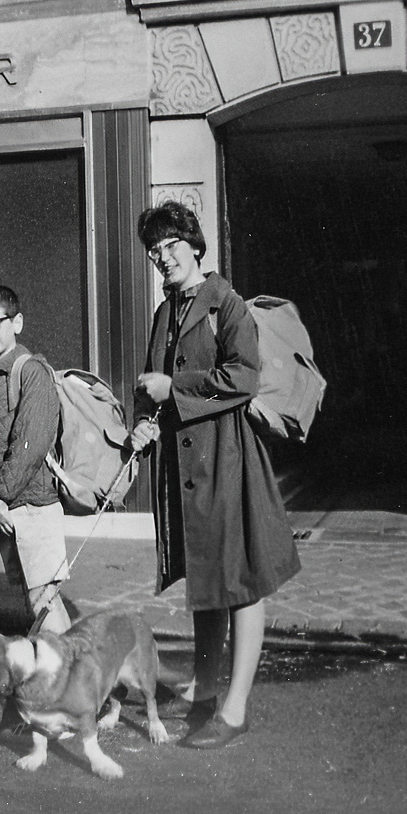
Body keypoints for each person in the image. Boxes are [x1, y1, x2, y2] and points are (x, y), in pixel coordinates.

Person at [131, 201, 300, 748]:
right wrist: (145, 424)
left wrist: (172, 394)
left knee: (242, 579)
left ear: (195, 245)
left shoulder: (224, 303)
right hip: (186, 465)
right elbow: (155, 389)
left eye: (171, 246)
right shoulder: (167, 311)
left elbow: (243, 377)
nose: (164, 258)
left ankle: (235, 707)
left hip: (228, 458)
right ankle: (205, 688)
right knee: (208, 574)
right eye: (155, 251)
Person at [0, 285, 72, 634]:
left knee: (43, 600)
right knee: (34, 600)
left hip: (32, 505)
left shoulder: (32, 371)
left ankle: (72, 679)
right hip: (5, 506)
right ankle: (60, 677)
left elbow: (32, 442)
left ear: (17, 322)